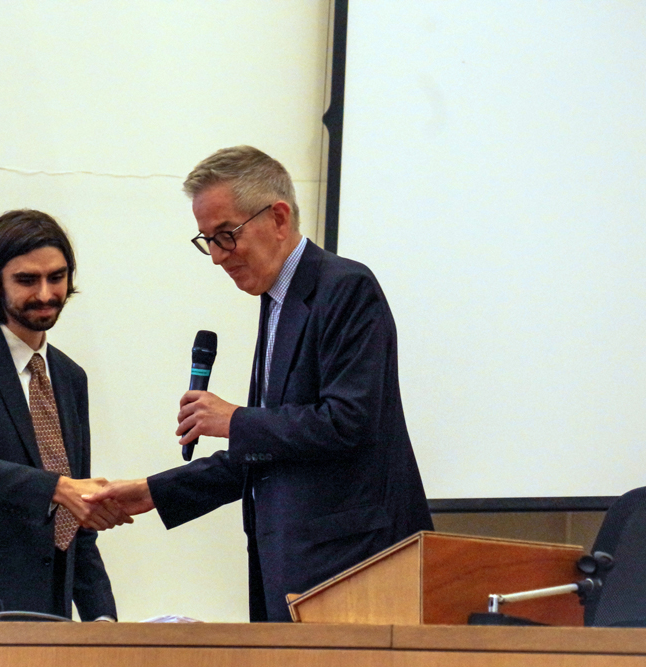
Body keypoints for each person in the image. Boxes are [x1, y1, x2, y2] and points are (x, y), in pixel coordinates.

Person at [87, 146, 433, 622]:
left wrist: (234, 419)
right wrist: (152, 492)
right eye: (206, 240)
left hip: (355, 570)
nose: (215, 257)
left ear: (278, 217)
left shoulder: (345, 288)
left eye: (225, 236)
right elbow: (266, 449)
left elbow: (347, 421)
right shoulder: (277, 302)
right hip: (288, 570)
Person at [0, 209, 126, 620]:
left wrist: (102, 618)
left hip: (52, 608)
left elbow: (77, 510)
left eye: (57, 277)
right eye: (27, 280)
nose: (46, 293)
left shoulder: (71, 377)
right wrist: (56, 488)